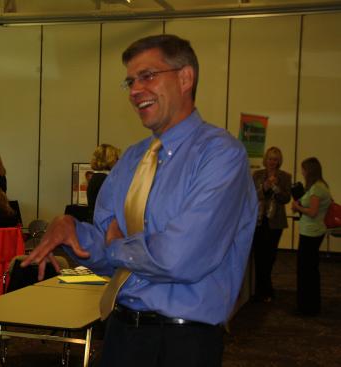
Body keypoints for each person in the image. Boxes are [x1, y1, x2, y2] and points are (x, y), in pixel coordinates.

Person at [23, 34, 257, 367]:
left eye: (147, 76)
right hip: (122, 333)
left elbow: (180, 258)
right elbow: (107, 255)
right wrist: (73, 232)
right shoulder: (132, 160)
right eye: (131, 81)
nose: (135, 91)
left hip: (182, 342)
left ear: (185, 78)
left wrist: (119, 246)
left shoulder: (221, 155)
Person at [291, 157, 331, 316]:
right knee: (309, 270)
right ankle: (309, 305)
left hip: (311, 233)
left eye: (304, 169)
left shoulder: (317, 189)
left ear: (309, 171)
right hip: (312, 232)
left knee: (306, 271)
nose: (302, 172)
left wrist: (298, 207)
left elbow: (313, 212)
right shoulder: (318, 187)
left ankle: (307, 307)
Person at [251, 147, 292, 302]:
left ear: (279, 161)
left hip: (276, 222)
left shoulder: (285, 176)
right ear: (265, 159)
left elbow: (286, 198)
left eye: (275, 159)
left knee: (270, 257)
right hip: (259, 221)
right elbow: (253, 195)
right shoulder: (257, 175)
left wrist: (275, 187)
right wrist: (265, 187)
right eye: (270, 158)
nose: (272, 162)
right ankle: (263, 289)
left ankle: (266, 289)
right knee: (259, 256)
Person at [86, 144, 121, 219]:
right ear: (110, 160)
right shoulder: (103, 180)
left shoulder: (97, 177)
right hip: (104, 225)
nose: (119, 161)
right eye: (116, 158)